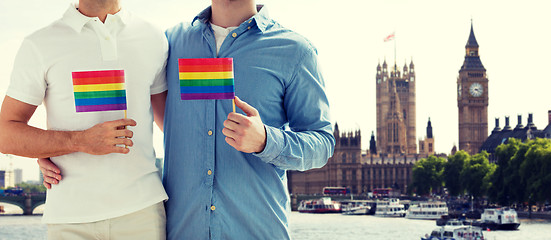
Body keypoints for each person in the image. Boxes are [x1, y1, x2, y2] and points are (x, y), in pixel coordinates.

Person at [41, 0, 335, 239]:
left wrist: (266, 141)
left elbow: (322, 143)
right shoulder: (170, 43)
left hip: (257, 229)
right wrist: (58, 149)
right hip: (183, 231)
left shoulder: (294, 50)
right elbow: (123, 98)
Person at [0, 0, 169, 239]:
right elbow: (5, 135)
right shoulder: (40, 43)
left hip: (142, 214)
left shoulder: (153, 37)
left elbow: (173, 126)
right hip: (69, 220)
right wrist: (78, 141)